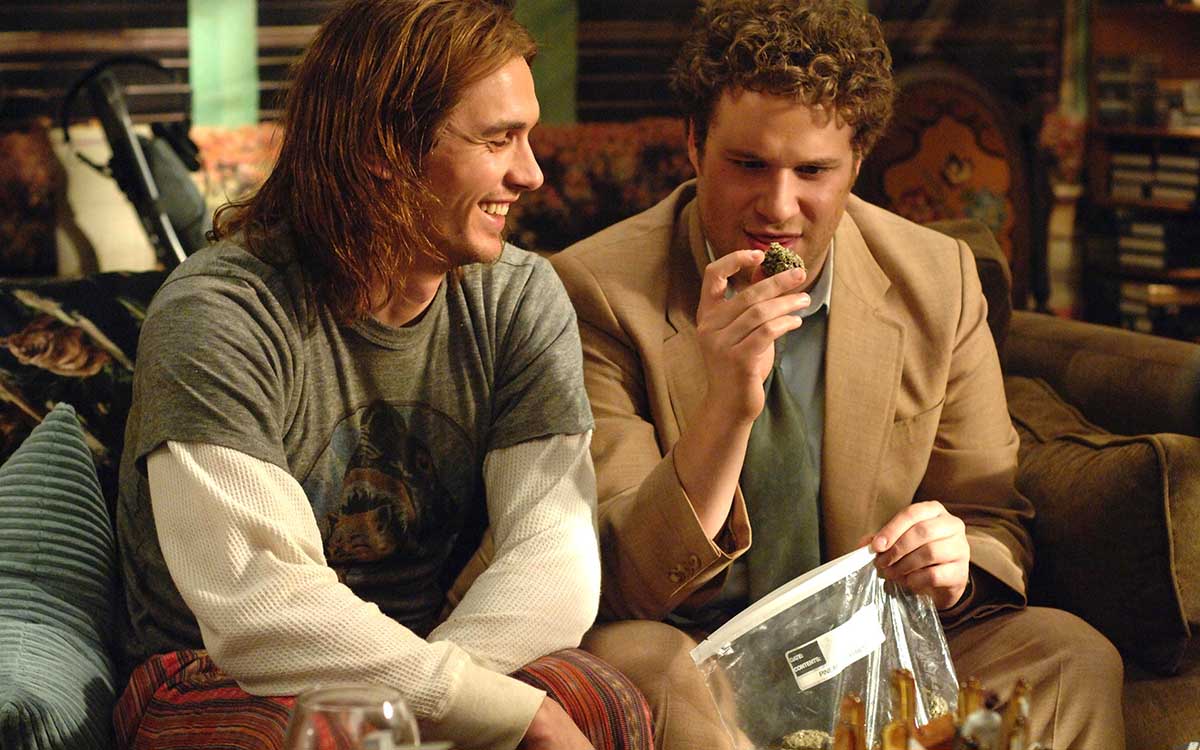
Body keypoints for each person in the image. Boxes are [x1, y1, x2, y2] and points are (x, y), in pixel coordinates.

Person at [551, 1, 1125, 748]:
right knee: (645, 665)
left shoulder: (939, 280)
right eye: (748, 165)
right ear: (693, 143)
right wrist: (728, 405)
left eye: (814, 171)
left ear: (859, 159)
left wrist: (955, 563)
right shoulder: (594, 292)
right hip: (697, 649)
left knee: (1071, 656)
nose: (777, 206)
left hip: (874, 643)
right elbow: (624, 578)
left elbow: (990, 517)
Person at [112, 2, 652, 749]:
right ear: (383, 148)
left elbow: (553, 557)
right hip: (220, 672)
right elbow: (260, 608)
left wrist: (440, 705)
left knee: (601, 704)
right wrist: (482, 712)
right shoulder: (222, 312)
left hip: (433, 641)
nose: (530, 173)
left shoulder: (520, 298)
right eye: (498, 139)